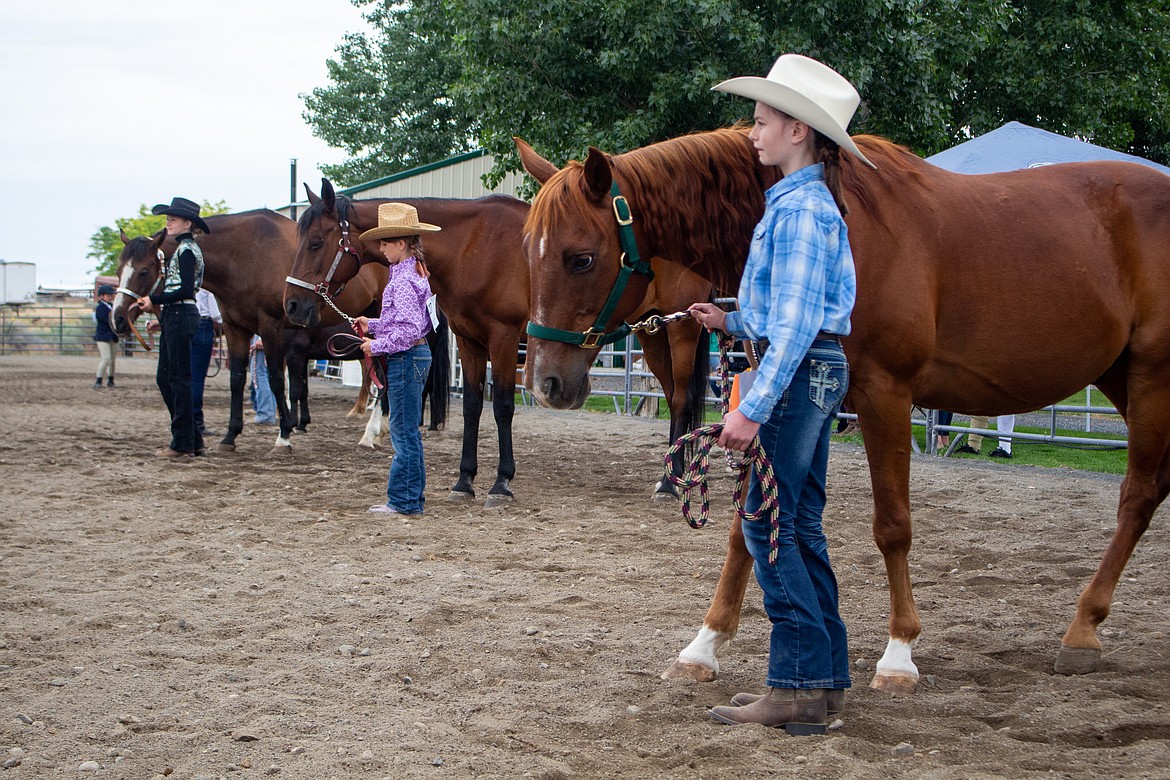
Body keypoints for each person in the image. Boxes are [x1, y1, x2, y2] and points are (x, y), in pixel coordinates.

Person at [687, 54, 875, 734]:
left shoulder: (798, 213)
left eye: (762, 121)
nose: (751, 133)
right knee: (798, 523)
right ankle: (822, 682)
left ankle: (795, 685)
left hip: (794, 377)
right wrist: (732, 320)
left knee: (769, 525)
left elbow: (795, 325)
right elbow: (797, 313)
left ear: (798, 131)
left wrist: (749, 408)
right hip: (814, 368)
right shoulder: (810, 206)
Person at [353, 203, 439, 516]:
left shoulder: (402, 280)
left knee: (403, 432)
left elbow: (407, 330)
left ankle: (403, 502)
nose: (381, 249)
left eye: (385, 243)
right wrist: (371, 324)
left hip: (406, 356)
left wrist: (375, 346)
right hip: (416, 353)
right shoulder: (413, 273)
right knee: (407, 431)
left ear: (400, 244)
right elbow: (412, 322)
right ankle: (410, 499)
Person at [137, 197, 210, 458]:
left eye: (173, 219)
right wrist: (163, 316)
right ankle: (193, 438)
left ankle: (182, 443)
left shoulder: (187, 250)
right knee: (169, 378)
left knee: (177, 379)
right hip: (176, 315)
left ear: (187, 223)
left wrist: (153, 300)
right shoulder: (184, 249)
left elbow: (186, 289)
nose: (168, 223)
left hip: (181, 313)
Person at [191, 288, 223, 436]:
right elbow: (216, 314)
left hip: (184, 322)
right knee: (197, 379)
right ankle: (197, 423)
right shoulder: (205, 284)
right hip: (202, 324)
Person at [92, 284, 119, 389]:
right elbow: (106, 320)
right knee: (106, 359)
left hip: (113, 336)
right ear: (101, 296)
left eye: (111, 295)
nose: (110, 296)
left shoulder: (113, 306)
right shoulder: (100, 308)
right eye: (108, 295)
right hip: (103, 337)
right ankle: (98, 379)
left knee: (112, 360)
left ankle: (111, 380)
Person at [249, 334, 277, 425]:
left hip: (263, 333)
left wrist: (262, 338)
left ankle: (265, 414)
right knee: (268, 375)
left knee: (259, 373)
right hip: (271, 335)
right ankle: (270, 412)